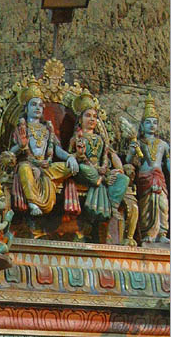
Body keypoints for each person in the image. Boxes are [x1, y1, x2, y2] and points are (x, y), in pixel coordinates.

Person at [9, 78, 78, 217]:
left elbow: (56, 149)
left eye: (40, 105)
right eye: (33, 105)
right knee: (24, 168)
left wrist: (70, 157)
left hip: (46, 166)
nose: (37, 108)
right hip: (29, 164)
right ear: (26, 108)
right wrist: (20, 146)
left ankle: (43, 187)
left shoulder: (47, 129)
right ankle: (33, 202)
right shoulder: (21, 128)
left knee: (71, 168)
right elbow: (9, 153)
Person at [70, 89, 129, 224]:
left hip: (101, 171)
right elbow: (69, 156)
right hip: (86, 170)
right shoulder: (76, 138)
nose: (91, 119)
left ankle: (113, 206)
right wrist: (78, 155)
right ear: (80, 119)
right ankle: (101, 181)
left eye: (94, 116)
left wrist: (118, 170)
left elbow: (111, 155)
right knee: (86, 170)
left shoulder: (101, 139)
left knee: (123, 179)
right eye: (88, 115)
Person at [127, 93, 169, 244]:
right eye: (148, 122)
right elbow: (128, 161)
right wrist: (132, 151)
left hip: (159, 176)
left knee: (162, 204)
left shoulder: (164, 145)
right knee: (147, 204)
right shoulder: (139, 142)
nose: (152, 125)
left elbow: (168, 164)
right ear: (143, 125)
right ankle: (148, 233)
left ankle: (162, 232)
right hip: (145, 177)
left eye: (155, 122)